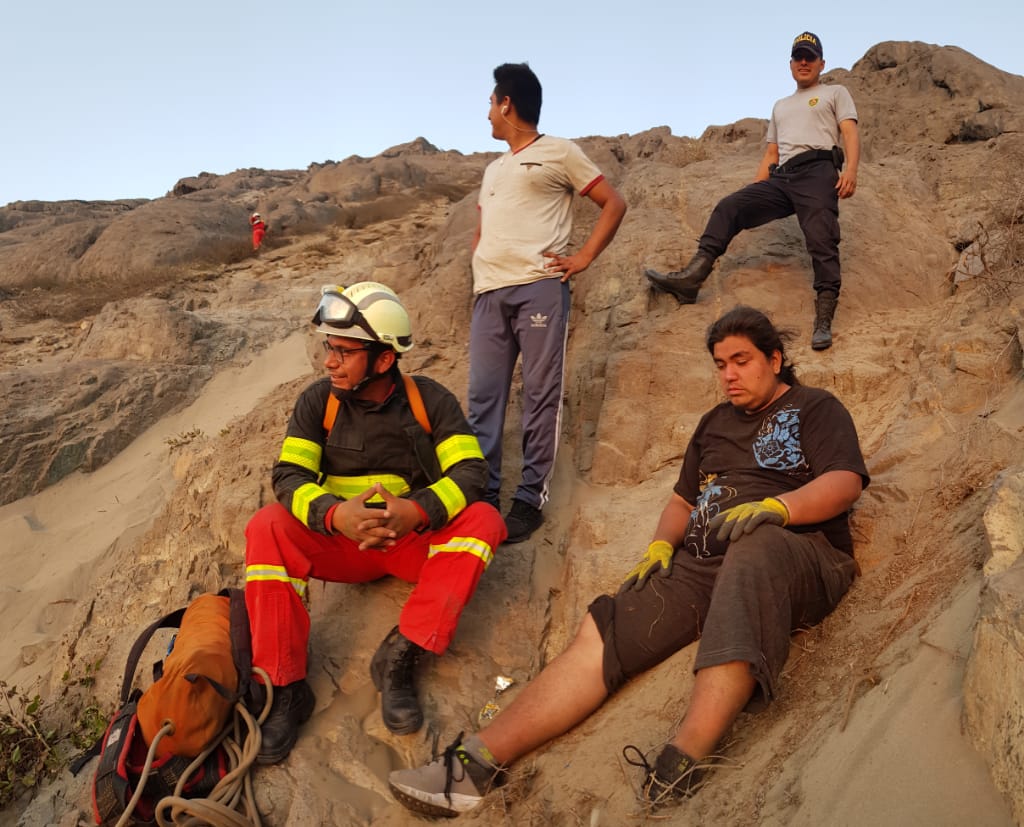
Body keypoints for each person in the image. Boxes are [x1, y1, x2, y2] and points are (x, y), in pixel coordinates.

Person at [389, 305, 869, 817]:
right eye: (719, 363)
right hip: (703, 566)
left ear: (774, 359)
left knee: (756, 547)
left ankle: (684, 760)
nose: (728, 374)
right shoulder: (713, 425)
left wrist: (779, 508)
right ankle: (474, 764)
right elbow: (684, 502)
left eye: (741, 360)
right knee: (608, 624)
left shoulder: (816, 408)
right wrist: (661, 546)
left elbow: (845, 481)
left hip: (798, 553)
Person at [243, 281, 507, 764]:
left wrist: (417, 511)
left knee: (485, 520)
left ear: (384, 359)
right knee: (266, 528)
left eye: (343, 352)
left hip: (410, 545)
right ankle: (283, 687)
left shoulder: (431, 401)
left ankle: (402, 656)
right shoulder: (316, 402)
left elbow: (472, 472)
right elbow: (289, 476)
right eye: (330, 348)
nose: (329, 362)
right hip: (343, 548)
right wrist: (334, 515)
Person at [469, 62, 627, 543]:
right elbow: (483, 230)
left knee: (539, 394)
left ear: (507, 104)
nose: (487, 112)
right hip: (488, 295)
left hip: (538, 287)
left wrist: (582, 258)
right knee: (482, 400)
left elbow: (613, 204)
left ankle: (528, 500)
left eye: (490, 103)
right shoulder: (493, 169)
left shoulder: (559, 152)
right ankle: (482, 498)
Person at [645, 32, 860, 351]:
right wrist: (754, 193)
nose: (804, 62)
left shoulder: (834, 92)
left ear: (821, 63)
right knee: (730, 206)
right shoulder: (781, 106)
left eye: (810, 57)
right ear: (790, 64)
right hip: (783, 177)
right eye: (798, 56)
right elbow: (772, 154)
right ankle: (692, 279)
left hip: (818, 170)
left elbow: (849, 132)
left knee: (821, 237)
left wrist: (851, 170)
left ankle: (823, 319)